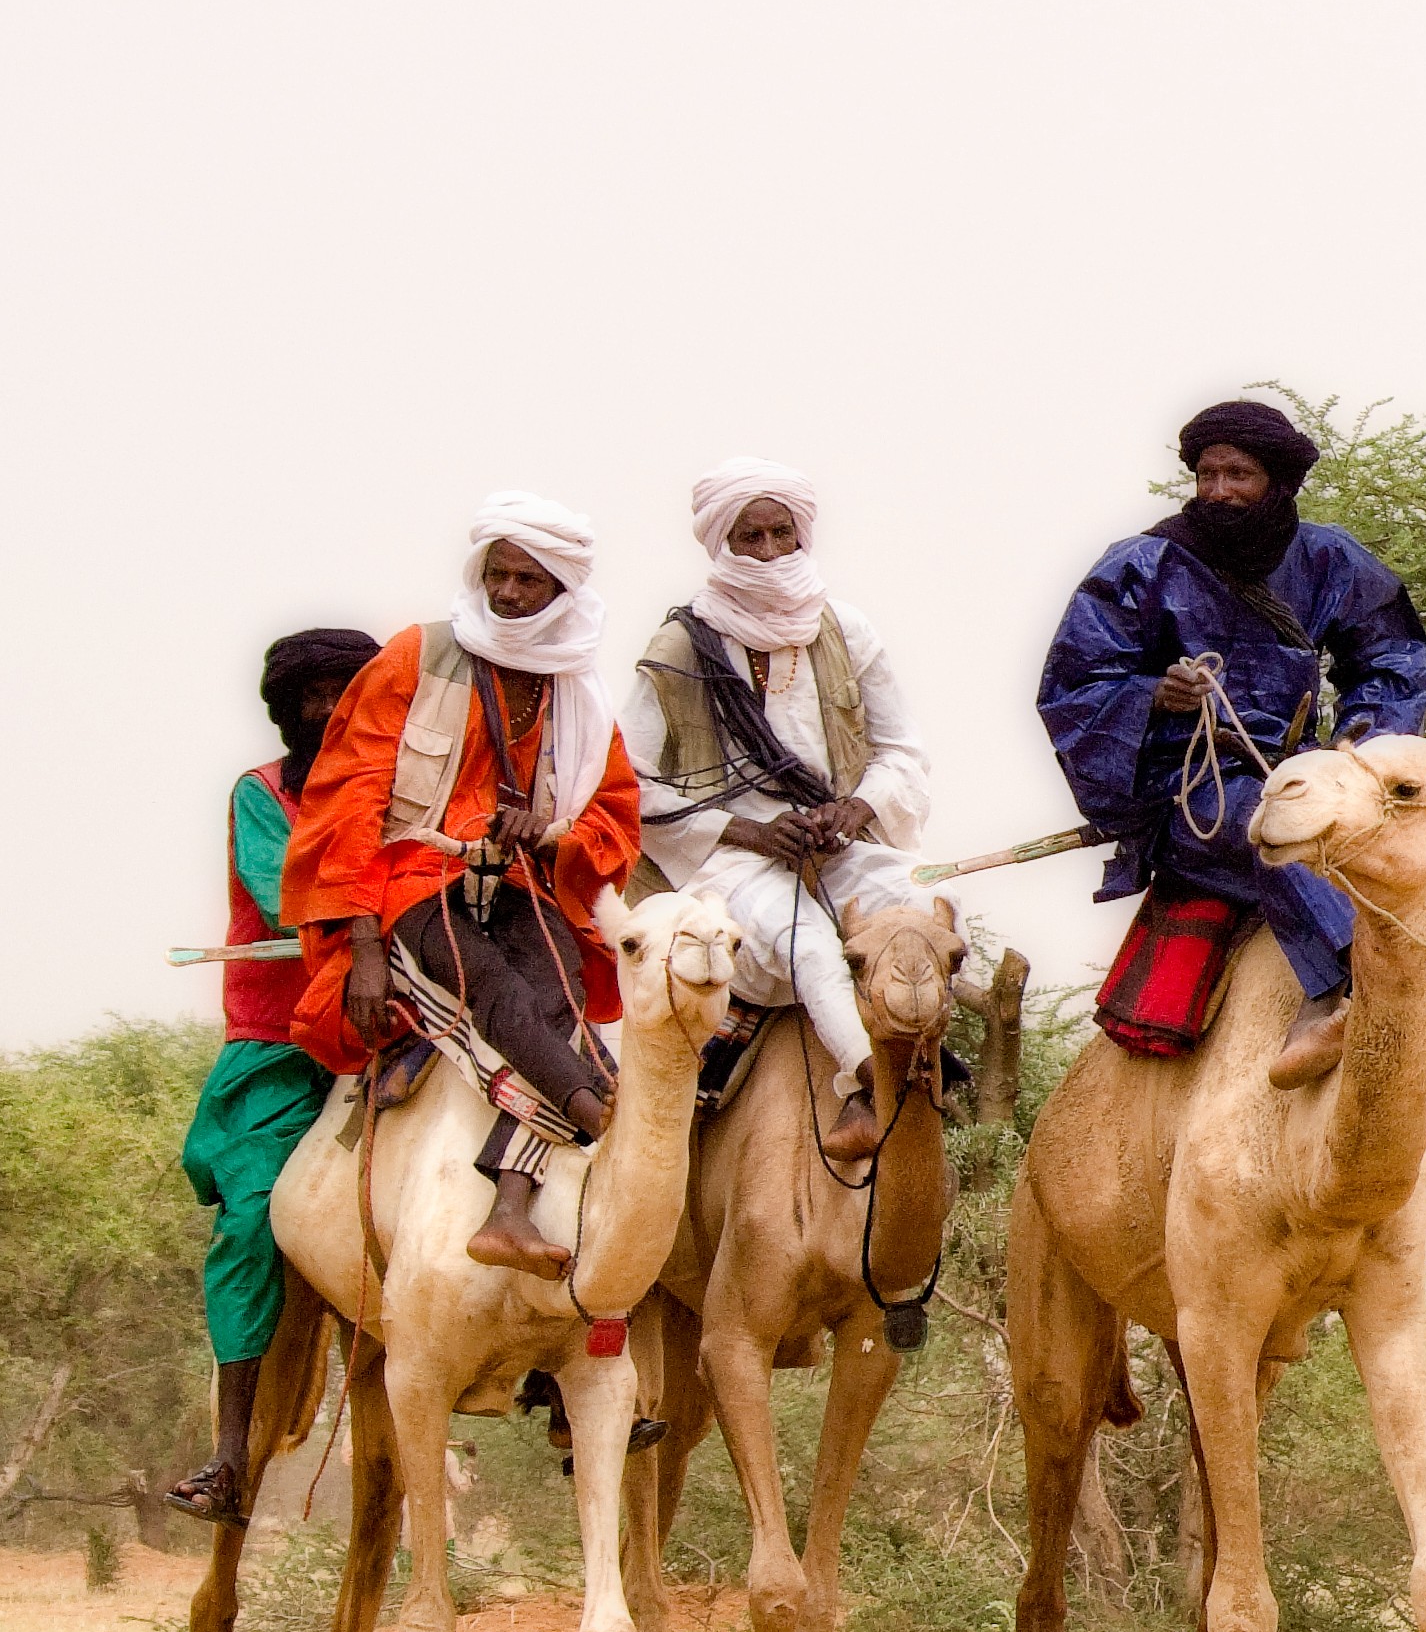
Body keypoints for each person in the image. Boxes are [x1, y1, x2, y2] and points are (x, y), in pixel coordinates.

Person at [282, 496, 649, 1277]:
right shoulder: (418, 655)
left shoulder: (577, 689)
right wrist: (364, 946)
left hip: (523, 881)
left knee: (559, 987)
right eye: (498, 575)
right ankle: (600, 1117)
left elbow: (613, 817)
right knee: (493, 986)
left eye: (529, 581)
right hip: (407, 880)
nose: (509, 594)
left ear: (564, 592)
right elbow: (350, 797)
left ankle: (510, 1209)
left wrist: (551, 836)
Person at [1038, 401, 1426, 1088]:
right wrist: (1151, 698)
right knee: (1270, 830)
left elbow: (1394, 658)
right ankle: (1343, 995)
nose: (1218, 490)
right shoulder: (1142, 564)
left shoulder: (1330, 559)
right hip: (1188, 790)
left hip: (1301, 768)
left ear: (1278, 483)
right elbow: (1073, 689)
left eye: (1238, 474)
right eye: (1207, 474)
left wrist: (1357, 752)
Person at [619, 461, 940, 1161]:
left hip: (839, 842)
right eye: (750, 537)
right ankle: (865, 1088)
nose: (768, 553)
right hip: (730, 858)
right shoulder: (679, 647)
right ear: (720, 544)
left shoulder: (845, 629)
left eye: (781, 534)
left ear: (803, 537)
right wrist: (751, 831)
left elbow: (902, 752)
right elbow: (627, 784)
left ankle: (940, 1071)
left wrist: (855, 809)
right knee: (808, 947)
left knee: (917, 914)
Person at [163, 628, 383, 1527]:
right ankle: (227, 1456)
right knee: (252, 1219)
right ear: (288, 709)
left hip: (404, 1022)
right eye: (313, 697)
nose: (329, 711)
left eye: (346, 694)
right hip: (284, 1038)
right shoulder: (261, 795)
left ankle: (559, 1386)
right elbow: (293, 889)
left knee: (556, 1139)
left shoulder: (402, 791)